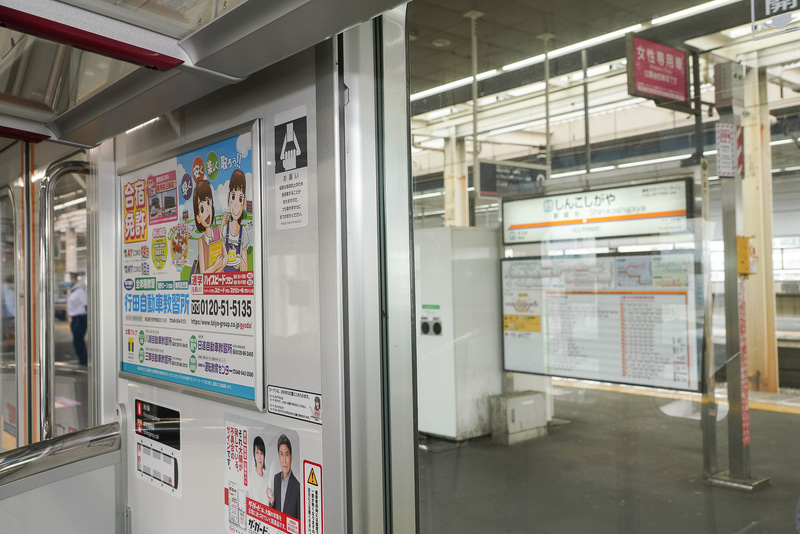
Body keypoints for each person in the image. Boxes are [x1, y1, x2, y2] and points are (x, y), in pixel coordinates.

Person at [193, 179, 225, 274]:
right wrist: (216, 266)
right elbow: (203, 272)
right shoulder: (201, 241)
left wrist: (218, 268)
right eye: (202, 209)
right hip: (209, 281)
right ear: (198, 218)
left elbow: (226, 257)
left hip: (222, 280)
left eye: (208, 202)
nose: (207, 210)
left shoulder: (217, 231)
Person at [222, 169, 250, 272]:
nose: (236, 204)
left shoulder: (243, 232)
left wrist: (240, 261)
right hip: (222, 279)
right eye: (233, 196)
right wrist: (222, 226)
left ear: (244, 202)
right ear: (228, 198)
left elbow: (245, 268)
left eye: (240, 198)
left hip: (235, 279)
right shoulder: (224, 228)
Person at [269, 434, 300, 520]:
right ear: (279, 457)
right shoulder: (276, 479)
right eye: (281, 454)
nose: (284, 460)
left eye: (286, 454)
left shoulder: (297, 487)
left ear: (291, 457)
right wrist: (272, 502)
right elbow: (274, 511)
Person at [67, 272, 87, 365]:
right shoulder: (73, 291)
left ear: (73, 279)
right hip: (75, 319)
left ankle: (84, 360)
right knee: (77, 341)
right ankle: (82, 360)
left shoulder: (80, 291)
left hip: (80, 319)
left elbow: (86, 305)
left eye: (69, 278)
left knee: (78, 341)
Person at [248, 436, 270, 505]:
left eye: (261, 453)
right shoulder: (250, 478)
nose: (259, 457)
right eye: (257, 453)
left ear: (264, 455)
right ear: (254, 455)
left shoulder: (268, 480)